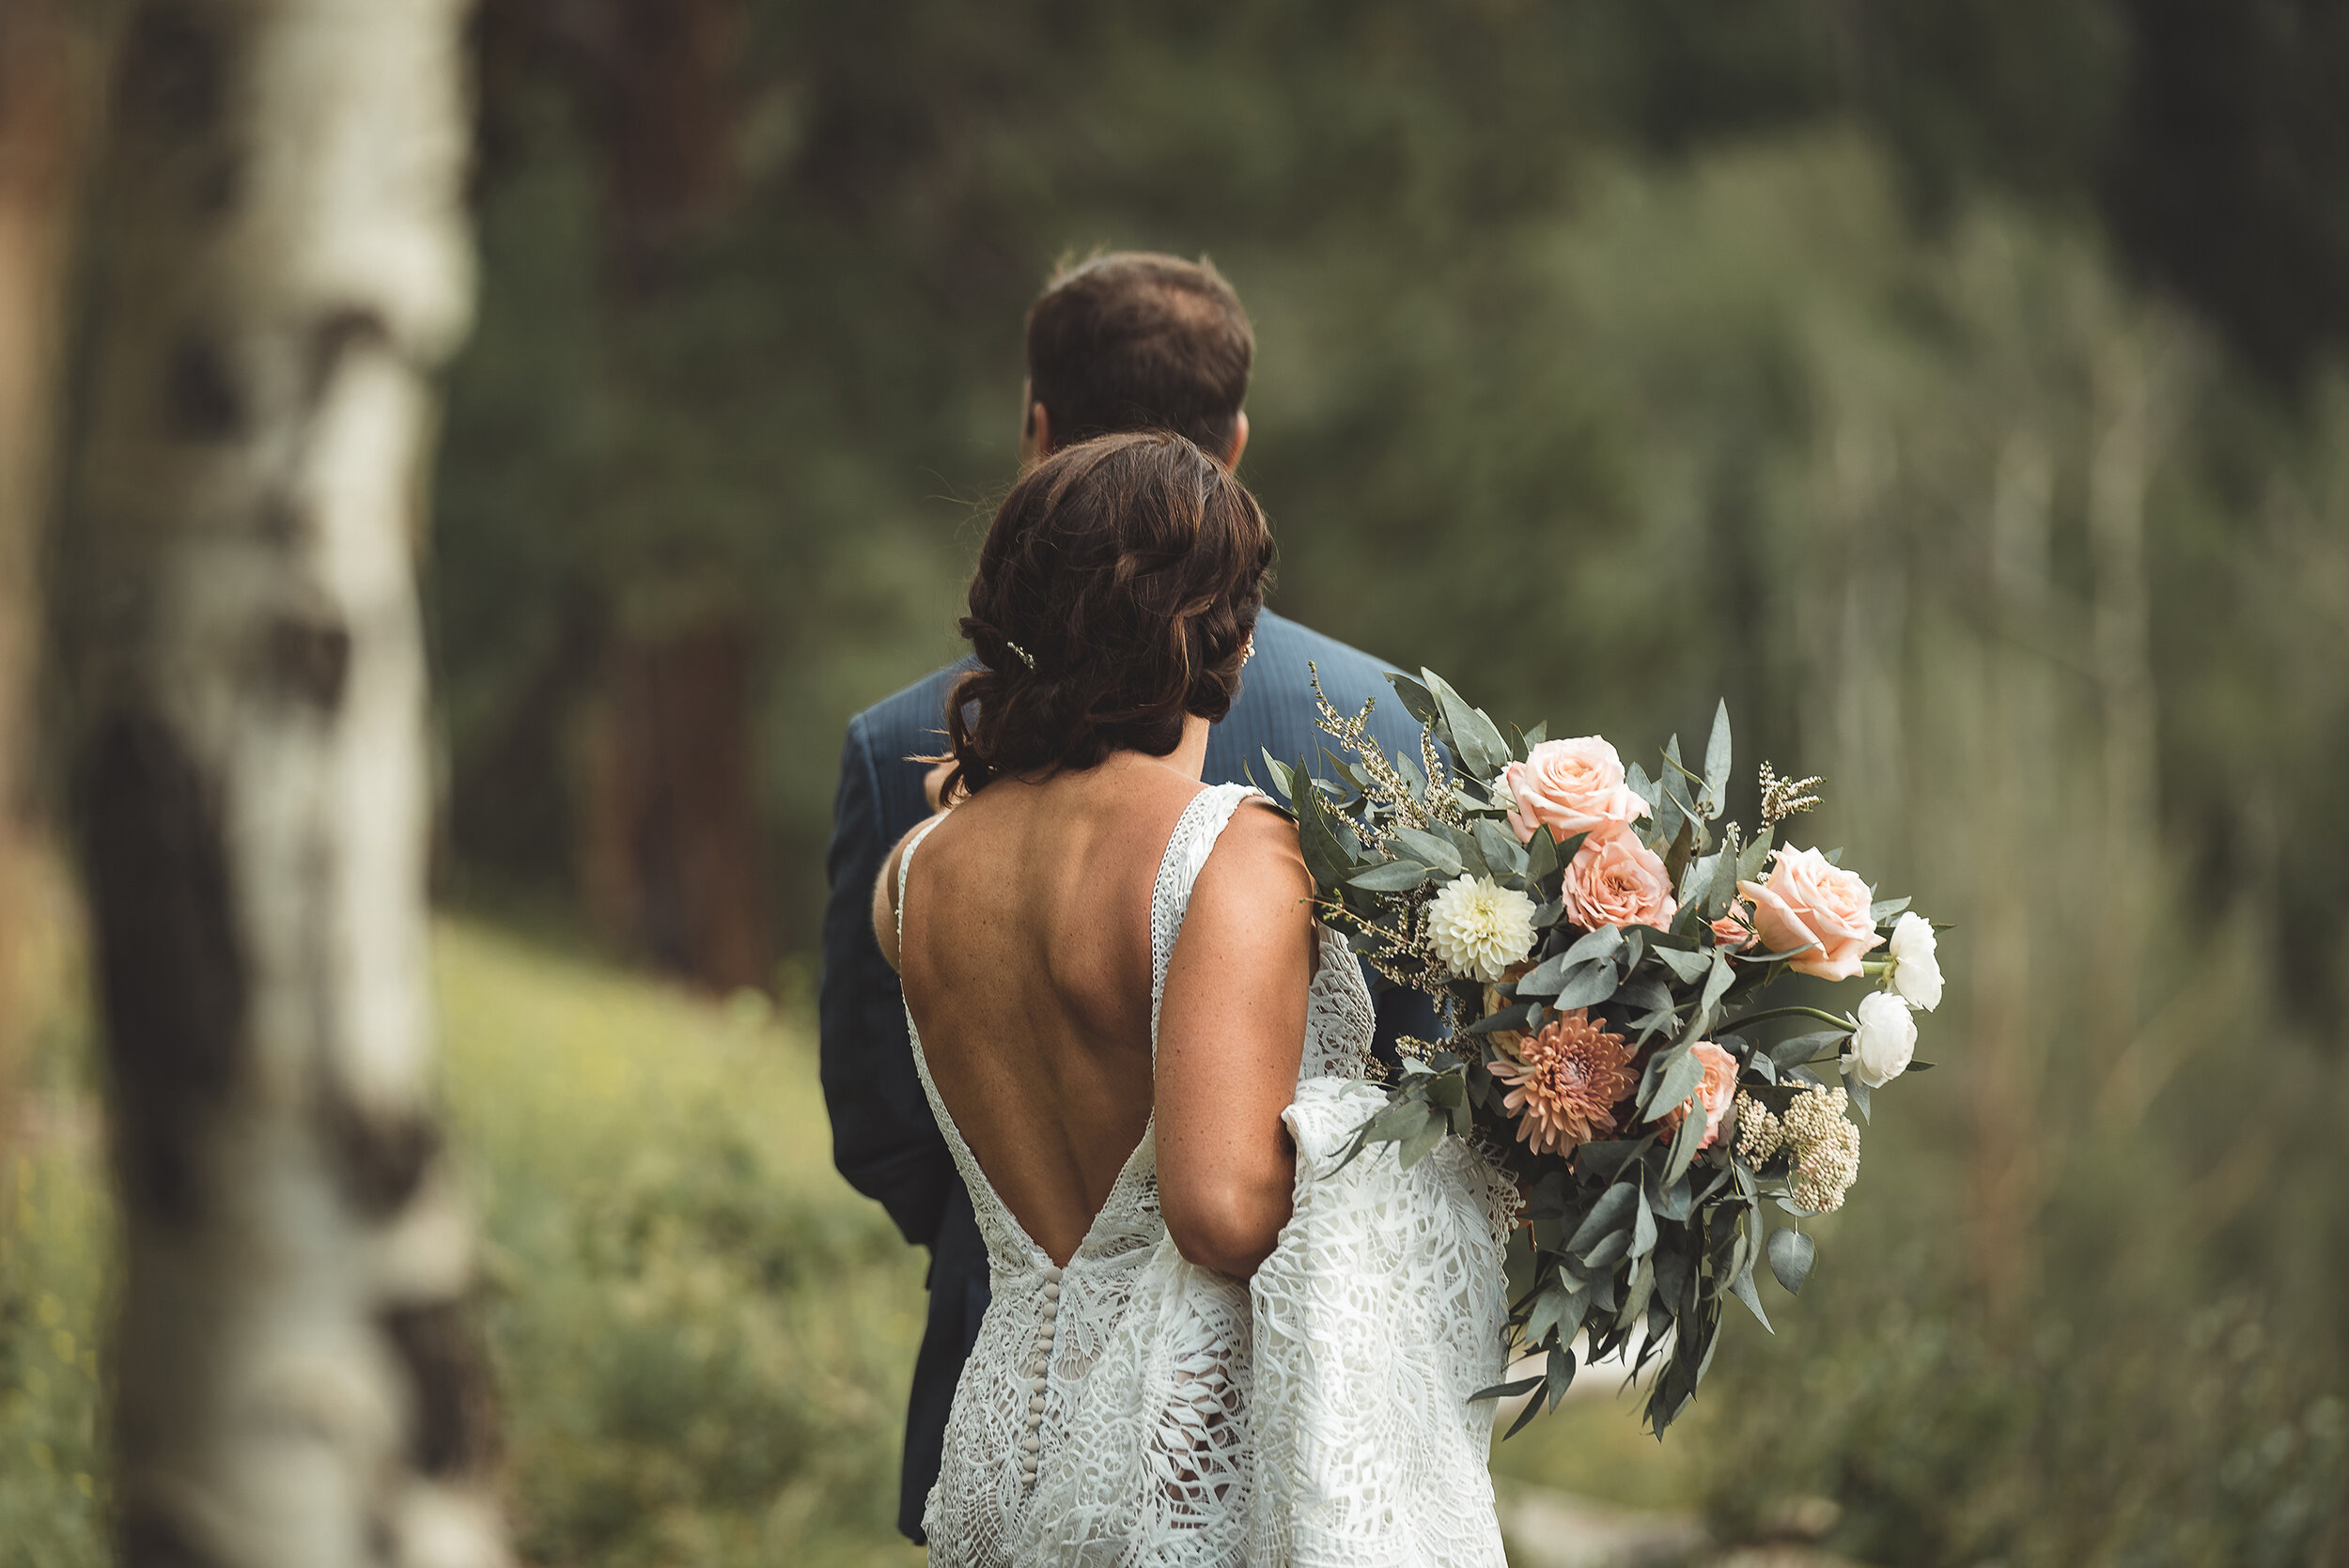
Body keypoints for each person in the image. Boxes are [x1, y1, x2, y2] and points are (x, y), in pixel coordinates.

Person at [817, 252, 1434, 1542]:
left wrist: (1038, 1235)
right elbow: (1247, 1188)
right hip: (1221, 1443)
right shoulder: (1318, 774)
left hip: (1001, 1412)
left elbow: (883, 1127)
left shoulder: (916, 857)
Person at [875, 431, 1511, 1563]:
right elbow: (1220, 1212)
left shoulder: (915, 874)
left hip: (997, 1441)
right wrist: (1450, 1139)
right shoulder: (1231, 853)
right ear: (1211, 631)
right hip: (1178, 1469)